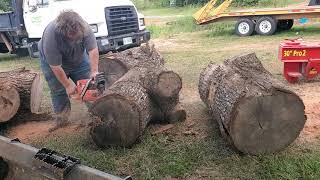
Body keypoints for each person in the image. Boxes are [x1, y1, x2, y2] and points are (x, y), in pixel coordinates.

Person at [38, 10, 99, 132]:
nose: (74, 37)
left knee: (89, 85)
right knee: (58, 90)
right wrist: (67, 84)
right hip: (52, 62)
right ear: (63, 32)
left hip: (79, 60)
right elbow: (55, 66)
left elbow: (93, 50)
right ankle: (61, 119)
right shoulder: (51, 35)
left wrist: (94, 71)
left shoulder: (84, 27)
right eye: (71, 34)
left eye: (76, 33)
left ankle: (97, 114)